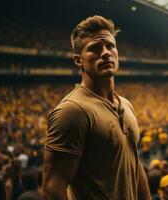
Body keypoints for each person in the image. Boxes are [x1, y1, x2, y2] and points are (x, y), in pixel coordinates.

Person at [40, 15, 151, 200]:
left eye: (110, 46)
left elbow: (134, 163)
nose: (106, 52)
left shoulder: (126, 104)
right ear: (78, 60)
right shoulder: (73, 111)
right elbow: (53, 189)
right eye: (95, 48)